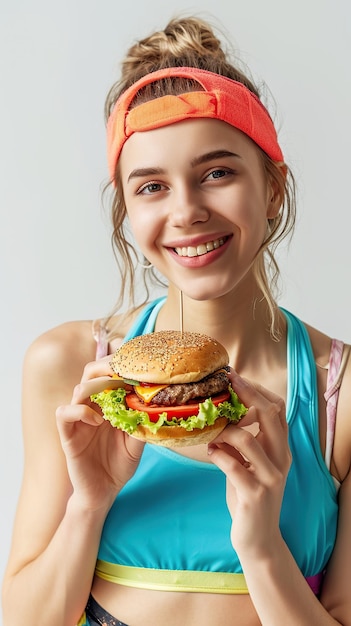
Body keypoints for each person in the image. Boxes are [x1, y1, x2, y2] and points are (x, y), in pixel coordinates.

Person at [2, 14, 351, 626]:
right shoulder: (70, 369)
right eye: (152, 187)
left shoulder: (338, 396)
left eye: (217, 173)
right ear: (128, 214)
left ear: (272, 189)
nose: (187, 211)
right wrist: (89, 504)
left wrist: (262, 549)